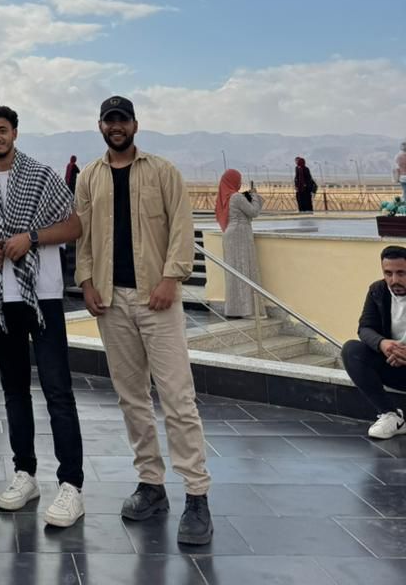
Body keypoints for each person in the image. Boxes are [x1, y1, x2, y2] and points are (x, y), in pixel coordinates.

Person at [76, 95, 212, 546]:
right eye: (109, 121)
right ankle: (151, 484)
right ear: (101, 126)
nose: (116, 127)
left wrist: (172, 278)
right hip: (111, 302)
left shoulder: (162, 172)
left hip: (157, 299)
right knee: (132, 397)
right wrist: (86, 282)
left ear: (134, 125)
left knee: (177, 397)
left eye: (123, 120)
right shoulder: (89, 177)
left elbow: (182, 229)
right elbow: (84, 237)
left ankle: (197, 494)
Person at [0, 106, 85, 527]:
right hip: (3, 300)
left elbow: (74, 226)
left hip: (44, 297)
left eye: (2, 130)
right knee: (14, 390)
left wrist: (31, 238)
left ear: (15, 133)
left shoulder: (42, 176)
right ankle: (25, 473)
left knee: (57, 390)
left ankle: (71, 484)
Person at [341, 245, 406, 440]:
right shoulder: (378, 290)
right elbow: (365, 328)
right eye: (388, 273)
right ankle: (390, 415)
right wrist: (384, 344)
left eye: (401, 273)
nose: (394, 280)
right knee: (351, 350)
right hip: (393, 363)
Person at [215, 169, 264, 319]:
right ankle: (247, 310)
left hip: (230, 234)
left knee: (234, 272)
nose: (240, 182)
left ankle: (235, 309)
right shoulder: (236, 197)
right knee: (244, 268)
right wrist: (254, 196)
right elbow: (253, 212)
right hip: (240, 233)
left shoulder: (223, 197)